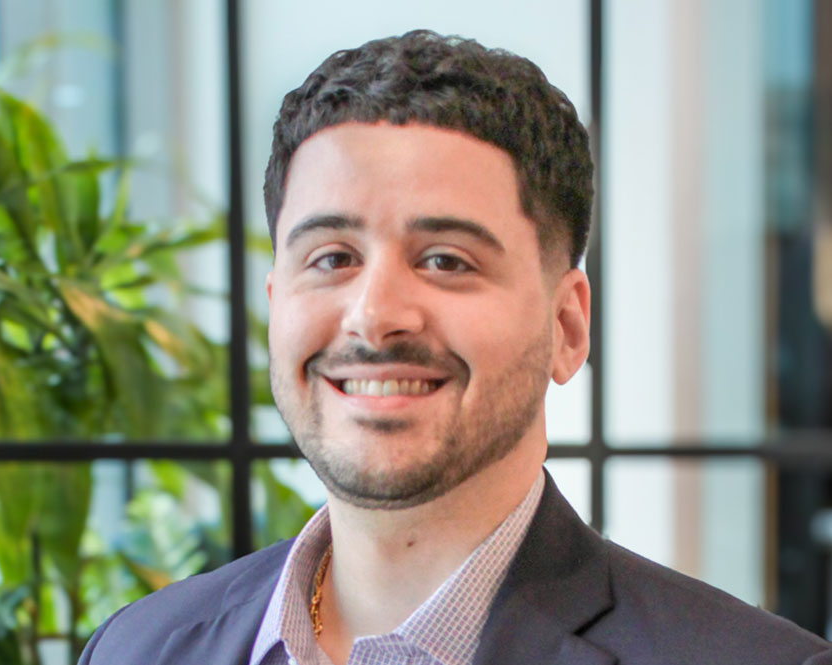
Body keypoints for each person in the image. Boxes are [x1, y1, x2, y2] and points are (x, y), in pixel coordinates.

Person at [78, 29, 832, 665]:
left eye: (445, 259)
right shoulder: (135, 647)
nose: (374, 317)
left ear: (566, 328)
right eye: (332, 257)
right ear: (276, 308)